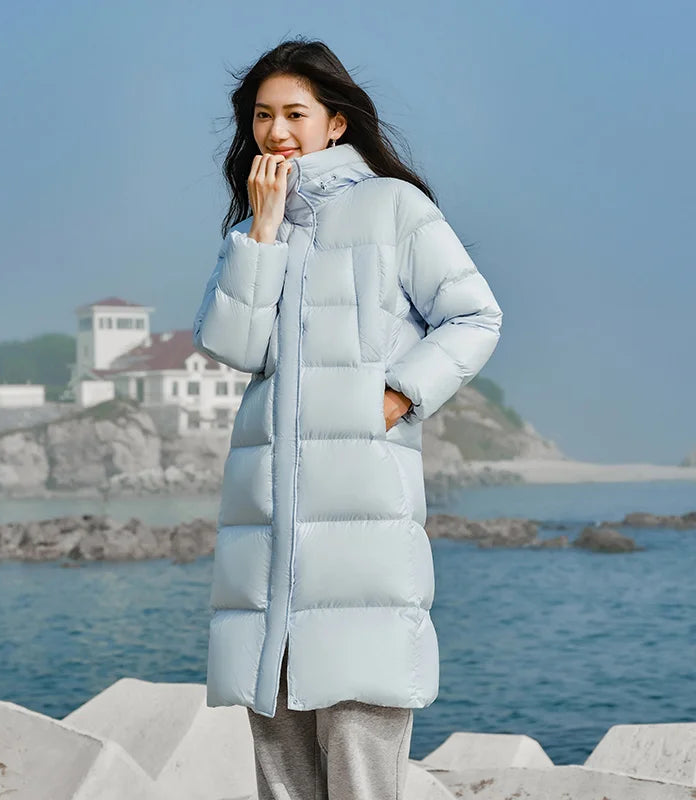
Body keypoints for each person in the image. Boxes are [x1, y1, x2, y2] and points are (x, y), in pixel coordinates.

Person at [193, 37, 503, 800]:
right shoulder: (253, 232)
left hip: (362, 537)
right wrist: (261, 232)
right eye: (262, 116)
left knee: (363, 772)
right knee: (282, 776)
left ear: (335, 123)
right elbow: (234, 345)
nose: (276, 131)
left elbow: (474, 316)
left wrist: (396, 395)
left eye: (295, 113)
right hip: (267, 555)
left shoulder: (394, 207)